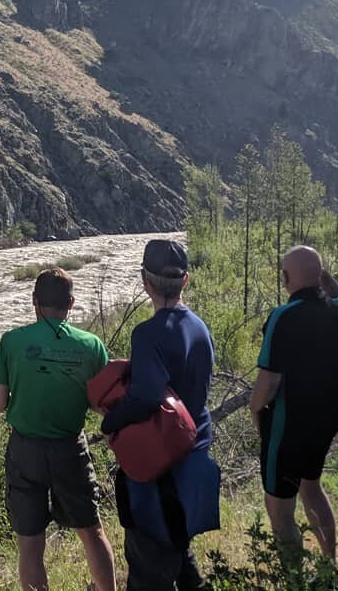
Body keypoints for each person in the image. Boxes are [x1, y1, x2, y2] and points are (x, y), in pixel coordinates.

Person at [100, 239, 219, 591]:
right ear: (185, 281)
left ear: (144, 282)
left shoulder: (148, 333)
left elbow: (148, 395)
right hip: (194, 450)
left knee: (149, 559)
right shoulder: (199, 328)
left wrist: (111, 422)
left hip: (158, 458)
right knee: (177, 540)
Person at [0, 268, 117, 591]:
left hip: (25, 451)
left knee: (30, 544)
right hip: (69, 449)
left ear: (34, 301)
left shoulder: (11, 341)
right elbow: (104, 404)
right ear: (71, 303)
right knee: (91, 530)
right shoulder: (92, 345)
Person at [250, 245, 338, 566]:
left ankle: (293, 579)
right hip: (326, 419)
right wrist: (323, 276)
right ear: (320, 277)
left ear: (285, 278)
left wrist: (255, 411)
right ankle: (329, 567)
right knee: (311, 487)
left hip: (288, 422)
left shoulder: (283, 317)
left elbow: (268, 382)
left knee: (280, 509)